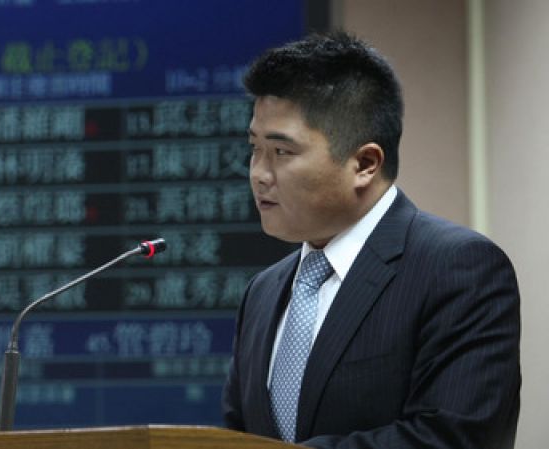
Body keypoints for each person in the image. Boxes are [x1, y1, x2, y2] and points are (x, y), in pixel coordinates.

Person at [222, 31, 520, 449]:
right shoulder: (263, 291)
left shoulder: (458, 268)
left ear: (364, 163)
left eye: (281, 152)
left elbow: (456, 437)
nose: (258, 173)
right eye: (255, 148)